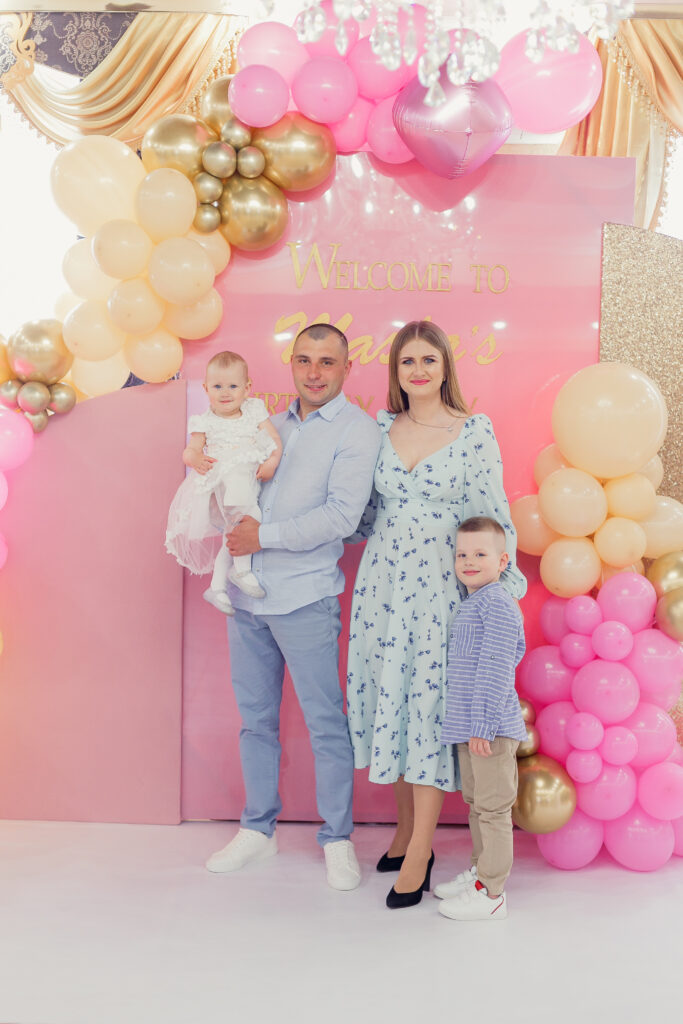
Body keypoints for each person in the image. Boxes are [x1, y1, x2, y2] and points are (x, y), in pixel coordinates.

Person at [346, 320, 526, 909]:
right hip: (382, 589)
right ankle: (404, 832)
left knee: (424, 712)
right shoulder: (380, 428)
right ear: (395, 371)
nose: (418, 370)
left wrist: (501, 591)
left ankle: (421, 852)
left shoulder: (472, 431)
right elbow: (365, 514)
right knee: (392, 704)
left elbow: (493, 514)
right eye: (407, 361)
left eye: (429, 359)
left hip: (439, 595)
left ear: (446, 366)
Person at [205, 324, 382, 890]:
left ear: (347, 368)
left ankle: (337, 838)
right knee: (255, 721)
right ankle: (257, 829)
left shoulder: (358, 431)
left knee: (326, 722)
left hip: (305, 597)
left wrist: (264, 536)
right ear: (291, 365)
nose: (314, 372)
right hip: (246, 597)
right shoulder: (266, 426)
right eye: (304, 360)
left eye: (326, 362)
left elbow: (342, 516)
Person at [436, 516, 526, 922]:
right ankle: (479, 874)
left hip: (490, 729)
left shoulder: (497, 603)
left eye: (480, 554)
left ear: (502, 561)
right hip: (471, 728)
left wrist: (483, 726)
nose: (469, 561)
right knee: (477, 806)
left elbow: (495, 666)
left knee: (492, 810)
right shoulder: (473, 603)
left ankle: (492, 893)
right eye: (461, 554)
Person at [165, 351, 282, 615]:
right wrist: (194, 458)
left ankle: (216, 587)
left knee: (235, 532)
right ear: (206, 389)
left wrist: (272, 461)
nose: (225, 393)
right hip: (225, 483)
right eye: (217, 386)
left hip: (248, 481)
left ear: (247, 388)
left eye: (233, 386)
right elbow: (190, 451)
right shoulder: (205, 421)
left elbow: (274, 440)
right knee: (249, 520)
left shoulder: (253, 410)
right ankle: (242, 571)